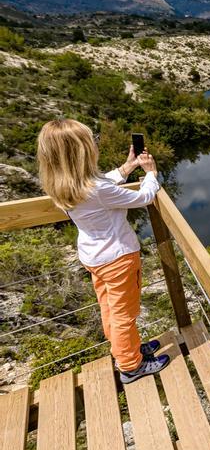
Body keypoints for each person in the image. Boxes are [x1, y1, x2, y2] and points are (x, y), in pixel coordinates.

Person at [37, 119, 169, 384]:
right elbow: (143, 198)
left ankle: (126, 350)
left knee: (110, 309)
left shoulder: (62, 186)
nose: (96, 143)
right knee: (125, 314)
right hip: (118, 259)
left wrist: (127, 167)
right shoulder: (97, 190)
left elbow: (100, 184)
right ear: (82, 151)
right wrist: (151, 174)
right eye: (92, 140)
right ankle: (131, 366)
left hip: (95, 258)